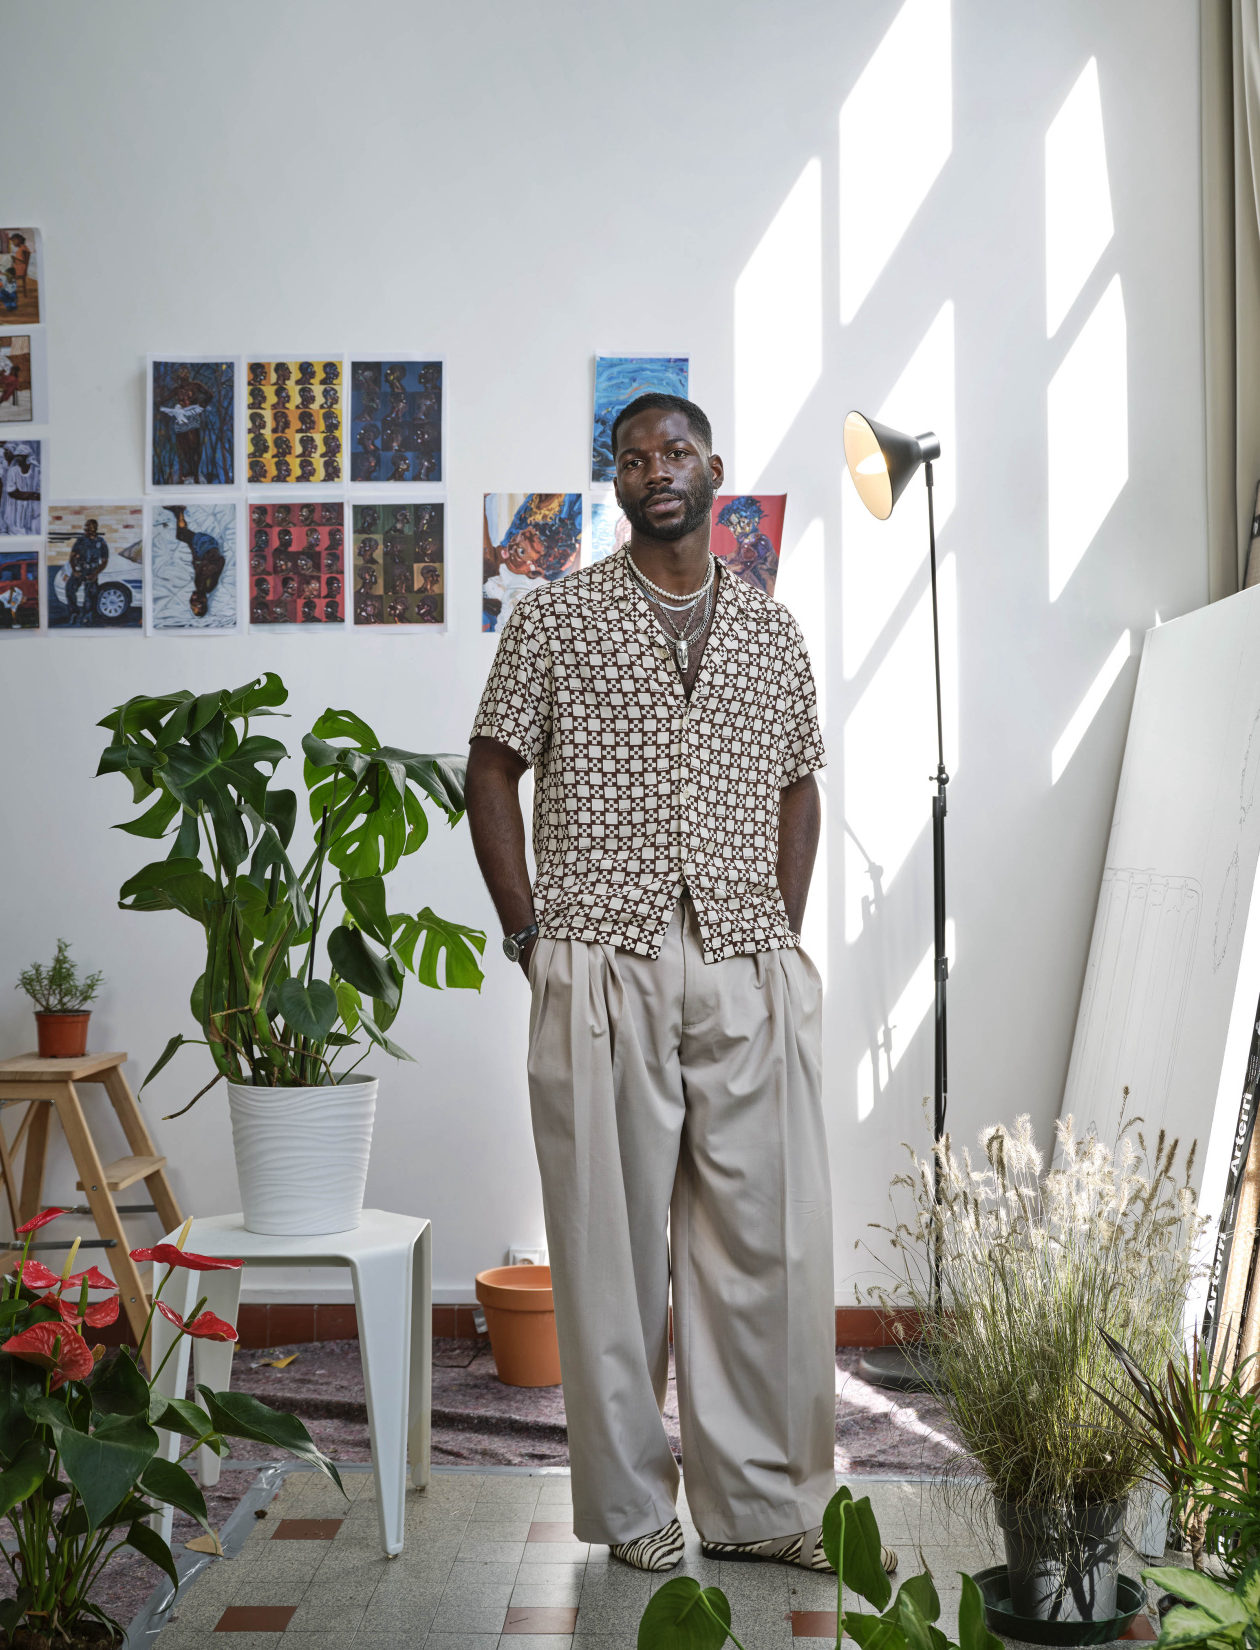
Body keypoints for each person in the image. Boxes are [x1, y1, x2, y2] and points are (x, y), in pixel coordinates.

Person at [465, 394, 899, 1579]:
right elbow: (490, 771)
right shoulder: (557, 618)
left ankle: (761, 1503)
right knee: (608, 1250)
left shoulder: (772, 632)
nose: (654, 470)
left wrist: (775, 923)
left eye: (673, 452)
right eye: (632, 458)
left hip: (745, 959)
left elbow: (801, 785)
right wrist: (528, 932)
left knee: (767, 1241)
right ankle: (629, 1509)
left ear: (714, 467)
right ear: (617, 484)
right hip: (600, 953)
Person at [165, 504, 226, 619]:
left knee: (182, 535)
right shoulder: (208, 586)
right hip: (207, 546)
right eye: (196, 605)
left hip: (203, 549)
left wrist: (197, 561)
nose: (192, 603)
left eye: (192, 607)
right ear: (203, 602)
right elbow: (219, 562)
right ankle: (179, 511)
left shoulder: (200, 587)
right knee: (182, 534)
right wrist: (201, 563)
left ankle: (178, 512)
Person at [65, 517, 109, 625]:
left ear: (94, 530)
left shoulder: (101, 543)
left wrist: (95, 574)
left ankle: (86, 616)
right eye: (85, 529)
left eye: (88, 530)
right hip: (80, 569)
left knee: (90, 595)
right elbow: (72, 556)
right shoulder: (80, 540)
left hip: (92, 572)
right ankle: (74, 613)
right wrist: (74, 570)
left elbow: (104, 561)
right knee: (70, 589)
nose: (85, 532)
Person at [1, 443, 40, 534]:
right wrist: (30, 494)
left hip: (32, 506)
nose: (18, 459)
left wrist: (24, 494)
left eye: (20, 456)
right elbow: (11, 491)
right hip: (16, 505)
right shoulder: (13, 471)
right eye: (17, 456)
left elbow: (40, 493)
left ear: (27, 457)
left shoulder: (37, 471)